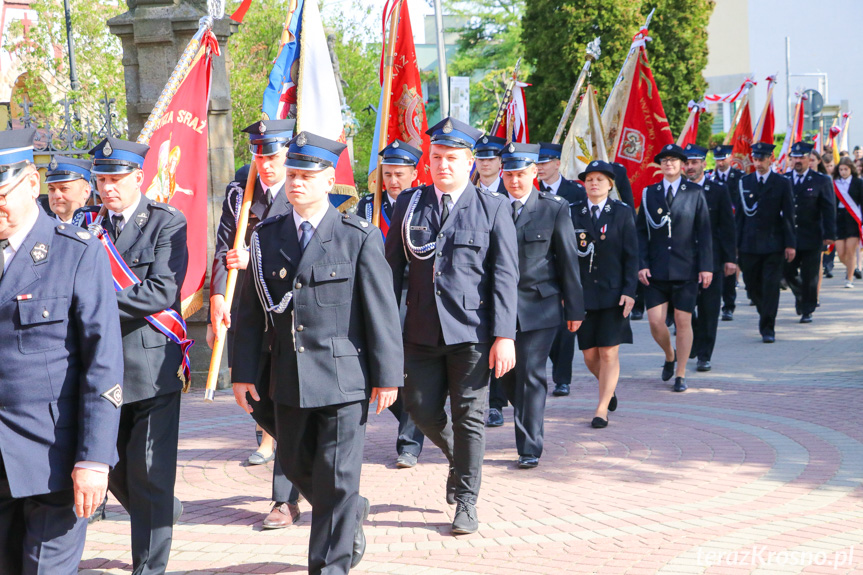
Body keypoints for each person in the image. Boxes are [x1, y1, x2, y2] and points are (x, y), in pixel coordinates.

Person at [232, 131, 403, 574]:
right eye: (292, 174)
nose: (296, 182)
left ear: (330, 180)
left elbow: (381, 311)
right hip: (287, 378)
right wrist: (242, 371)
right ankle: (348, 517)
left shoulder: (356, 235)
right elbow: (249, 312)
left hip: (343, 379)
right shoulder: (265, 236)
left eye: (307, 175)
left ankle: (330, 565)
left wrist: (389, 376)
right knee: (295, 463)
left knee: (337, 477)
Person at [386, 117, 518, 535]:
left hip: (473, 334)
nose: (443, 165)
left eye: (453, 159)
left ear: (470, 163)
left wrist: (505, 336)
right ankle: (459, 460)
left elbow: (504, 276)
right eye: (437, 157)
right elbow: (391, 270)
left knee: (470, 417)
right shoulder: (410, 204)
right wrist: (384, 330)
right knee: (418, 408)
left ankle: (465, 500)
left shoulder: (493, 207)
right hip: (420, 331)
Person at [0, 129, 123, 574]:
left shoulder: (76, 254)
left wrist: (94, 457)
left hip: (52, 458)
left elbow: (102, 363)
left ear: (31, 184)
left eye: (2, 191)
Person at [81, 136, 189, 575]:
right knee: (116, 469)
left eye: (116, 179)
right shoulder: (89, 227)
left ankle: (149, 567)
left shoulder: (165, 222)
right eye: (101, 179)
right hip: (100, 370)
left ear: (138, 178)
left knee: (148, 471)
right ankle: (163, 508)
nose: (108, 188)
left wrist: (94, 305)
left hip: (149, 365)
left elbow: (162, 290)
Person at [209, 119, 303, 529]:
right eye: (260, 156)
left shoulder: (303, 189)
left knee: (284, 405)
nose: (267, 165)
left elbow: (307, 252)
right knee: (254, 399)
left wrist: (258, 258)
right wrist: (215, 294)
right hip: (246, 311)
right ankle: (315, 471)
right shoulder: (240, 192)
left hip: (284, 314)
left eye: (274, 156)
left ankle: (285, 499)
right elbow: (222, 247)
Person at [490, 142, 583, 467]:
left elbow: (568, 261)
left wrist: (574, 309)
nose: (515, 181)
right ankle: (527, 413)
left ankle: (529, 447)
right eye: (510, 174)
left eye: (521, 174)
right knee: (507, 378)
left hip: (539, 308)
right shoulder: (492, 206)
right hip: (499, 308)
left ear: (534, 172)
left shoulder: (553, 208)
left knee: (531, 373)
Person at [355, 139, 426, 469]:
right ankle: (416, 415)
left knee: (407, 369)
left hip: (409, 295)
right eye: (387, 174)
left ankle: (410, 441)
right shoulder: (368, 207)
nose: (393, 181)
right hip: (372, 293)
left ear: (414, 173)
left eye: (399, 174)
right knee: (375, 369)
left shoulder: (422, 205)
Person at [636, 144, 712, 392]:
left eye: (674, 160)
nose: (669, 163)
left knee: (682, 320)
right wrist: (642, 264)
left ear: (682, 165)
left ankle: (680, 374)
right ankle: (670, 354)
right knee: (656, 322)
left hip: (686, 268)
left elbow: (704, 232)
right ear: (660, 165)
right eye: (664, 160)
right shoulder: (649, 193)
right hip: (656, 269)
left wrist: (706, 267)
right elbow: (641, 233)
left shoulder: (695, 192)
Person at [570, 161, 637, 428]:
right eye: (589, 179)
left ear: (610, 184)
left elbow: (632, 256)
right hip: (584, 294)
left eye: (599, 179)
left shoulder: (621, 213)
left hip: (613, 293)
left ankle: (601, 409)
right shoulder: (573, 212)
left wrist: (630, 291)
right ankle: (608, 389)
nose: (593, 183)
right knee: (589, 354)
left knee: (609, 352)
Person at [536, 142, 586, 396]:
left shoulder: (575, 192)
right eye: (537, 163)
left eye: (545, 162)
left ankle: (562, 378)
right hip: (539, 266)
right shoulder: (530, 190)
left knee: (566, 328)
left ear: (558, 163)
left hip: (567, 262)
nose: (540, 167)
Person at [736, 142, 796, 343]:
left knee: (770, 286)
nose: (759, 163)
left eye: (762, 159)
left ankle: (768, 327)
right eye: (756, 159)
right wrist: (735, 246)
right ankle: (766, 313)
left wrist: (790, 244)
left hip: (773, 243)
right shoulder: (745, 182)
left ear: (771, 159)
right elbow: (740, 217)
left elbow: (789, 215)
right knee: (752, 286)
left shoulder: (781, 183)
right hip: (749, 244)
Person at [684, 144, 736, 372]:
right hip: (682, 260)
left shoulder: (718, 190)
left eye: (694, 162)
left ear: (705, 164)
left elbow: (727, 227)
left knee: (709, 308)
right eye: (686, 162)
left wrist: (730, 259)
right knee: (681, 308)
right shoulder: (676, 190)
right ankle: (693, 339)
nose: (689, 167)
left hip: (710, 260)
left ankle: (704, 354)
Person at [782, 142, 836, 323]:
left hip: (813, 235)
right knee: (787, 270)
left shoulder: (821, 180)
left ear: (809, 160)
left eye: (801, 158)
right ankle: (801, 295)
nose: (797, 161)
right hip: (789, 236)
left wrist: (830, 234)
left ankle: (807, 309)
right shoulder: (784, 179)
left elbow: (829, 209)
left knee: (810, 275)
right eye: (794, 157)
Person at [711, 144, 745, 321]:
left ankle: (729, 305)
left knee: (730, 265)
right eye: (717, 159)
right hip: (714, 229)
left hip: (734, 226)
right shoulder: (710, 177)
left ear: (730, 159)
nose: (720, 162)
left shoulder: (739, 177)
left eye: (723, 158)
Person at [832, 157, 863, 288]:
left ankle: (849, 278)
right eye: (841, 169)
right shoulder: (834, 183)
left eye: (846, 169)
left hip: (852, 219)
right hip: (838, 219)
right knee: (840, 253)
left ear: (851, 169)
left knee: (850, 251)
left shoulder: (858, 183)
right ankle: (851, 267)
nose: (843, 172)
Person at [44, 156, 93, 223]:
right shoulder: (41, 226)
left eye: (64, 188)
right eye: (51, 189)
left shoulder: (97, 224)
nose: (56, 196)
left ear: (86, 191)